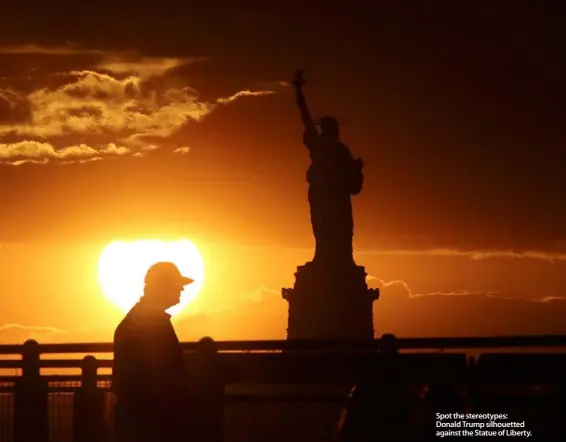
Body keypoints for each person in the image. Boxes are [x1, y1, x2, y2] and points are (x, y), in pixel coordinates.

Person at [112, 262, 194, 442]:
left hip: (142, 419)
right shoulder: (151, 324)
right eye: (176, 285)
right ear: (162, 287)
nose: (181, 290)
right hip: (151, 422)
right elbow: (159, 375)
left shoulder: (141, 320)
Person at [292, 70, 364, 265]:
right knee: (322, 226)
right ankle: (323, 258)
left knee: (342, 227)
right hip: (321, 192)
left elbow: (352, 181)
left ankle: (342, 260)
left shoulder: (341, 149)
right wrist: (298, 90)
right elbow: (304, 115)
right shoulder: (317, 144)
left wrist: (357, 169)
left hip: (337, 194)